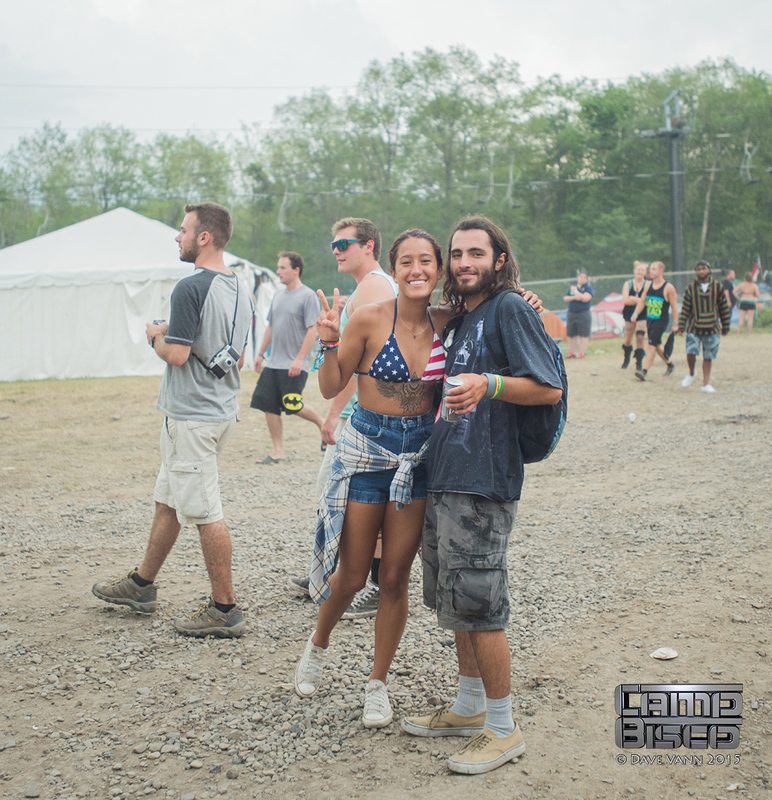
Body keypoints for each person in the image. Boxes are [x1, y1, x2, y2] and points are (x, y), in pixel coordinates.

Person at [401, 216, 563, 776]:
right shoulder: (466, 315)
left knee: (482, 605)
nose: (465, 262)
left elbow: (548, 387)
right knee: (459, 601)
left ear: (499, 259)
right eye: (458, 254)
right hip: (448, 474)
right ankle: (469, 706)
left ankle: (502, 726)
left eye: (477, 252)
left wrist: (488, 384)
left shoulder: (509, 308)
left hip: (484, 480)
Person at [293, 229, 449, 729]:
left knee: (395, 578)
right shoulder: (369, 318)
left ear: (438, 268)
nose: (417, 270)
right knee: (353, 575)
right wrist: (329, 341)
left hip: (417, 458)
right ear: (394, 267)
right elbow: (331, 385)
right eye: (407, 262)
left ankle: (377, 684)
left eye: (426, 261)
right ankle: (318, 644)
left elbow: (498, 306)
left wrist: (526, 299)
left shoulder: (450, 321)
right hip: (367, 453)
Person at [92, 203, 254, 638]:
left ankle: (225, 609)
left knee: (205, 511)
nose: (177, 237)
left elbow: (178, 355)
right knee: (168, 499)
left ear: (204, 237)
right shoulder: (240, 287)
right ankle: (141, 585)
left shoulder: (190, 287)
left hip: (191, 417)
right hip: (220, 411)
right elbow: (235, 356)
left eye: (183, 230)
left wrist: (155, 338)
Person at [287, 217, 399, 619]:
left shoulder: (373, 287)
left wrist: (333, 416)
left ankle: (371, 586)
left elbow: (363, 359)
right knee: (344, 497)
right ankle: (335, 574)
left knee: (355, 499)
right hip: (363, 412)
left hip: (363, 413)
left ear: (368, 246)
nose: (335, 251)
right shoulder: (368, 287)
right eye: (333, 245)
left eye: (343, 244)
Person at [250, 251, 324, 463]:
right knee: (268, 404)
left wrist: (300, 359)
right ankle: (278, 451)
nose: (278, 271)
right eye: (278, 267)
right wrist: (260, 354)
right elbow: (270, 327)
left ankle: (322, 423)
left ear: (296, 270)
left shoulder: (308, 296)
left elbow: (313, 329)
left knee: (292, 405)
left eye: (283, 268)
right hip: (274, 362)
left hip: (294, 363)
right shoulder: (278, 296)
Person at [677, 260, 730, 393]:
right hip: (694, 326)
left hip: (712, 327)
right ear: (695, 271)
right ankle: (691, 373)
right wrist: (681, 326)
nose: (701, 271)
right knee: (690, 352)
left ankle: (706, 384)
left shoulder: (717, 286)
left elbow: (723, 307)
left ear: (709, 270)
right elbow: (685, 308)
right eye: (699, 269)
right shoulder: (690, 288)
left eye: (704, 268)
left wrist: (726, 325)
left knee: (708, 356)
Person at [633, 260, 678, 381]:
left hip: (661, 321)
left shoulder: (668, 287)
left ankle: (644, 371)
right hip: (650, 320)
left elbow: (674, 307)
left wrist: (675, 323)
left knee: (651, 345)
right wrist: (635, 313)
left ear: (661, 270)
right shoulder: (648, 285)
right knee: (657, 345)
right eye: (650, 269)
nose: (651, 271)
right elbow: (642, 301)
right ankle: (670, 364)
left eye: (654, 269)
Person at [620, 261, 650, 370]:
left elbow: (648, 302)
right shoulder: (628, 284)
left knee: (640, 336)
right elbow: (625, 300)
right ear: (634, 271)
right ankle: (627, 357)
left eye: (642, 270)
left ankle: (639, 362)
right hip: (629, 312)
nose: (640, 272)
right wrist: (640, 300)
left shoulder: (648, 284)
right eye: (638, 270)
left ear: (645, 272)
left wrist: (633, 298)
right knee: (628, 339)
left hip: (642, 313)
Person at [562, 272, 593, 358]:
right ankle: (572, 353)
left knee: (583, 334)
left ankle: (582, 353)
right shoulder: (572, 288)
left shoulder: (588, 288)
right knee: (572, 334)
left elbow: (586, 298)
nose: (582, 279)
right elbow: (565, 298)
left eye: (584, 277)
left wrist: (576, 292)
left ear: (586, 279)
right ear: (578, 278)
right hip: (571, 313)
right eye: (580, 277)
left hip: (583, 314)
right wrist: (576, 297)